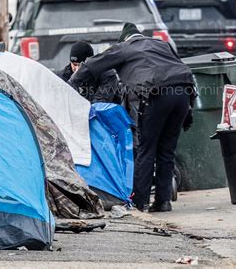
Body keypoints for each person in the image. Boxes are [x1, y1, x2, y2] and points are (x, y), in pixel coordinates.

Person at [70, 23, 195, 212]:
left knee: (146, 148)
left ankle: (140, 202)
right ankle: (163, 201)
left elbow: (92, 64)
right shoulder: (162, 44)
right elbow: (178, 66)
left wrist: (71, 84)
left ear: (124, 39)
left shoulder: (125, 48)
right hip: (183, 93)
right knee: (166, 150)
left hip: (156, 94)